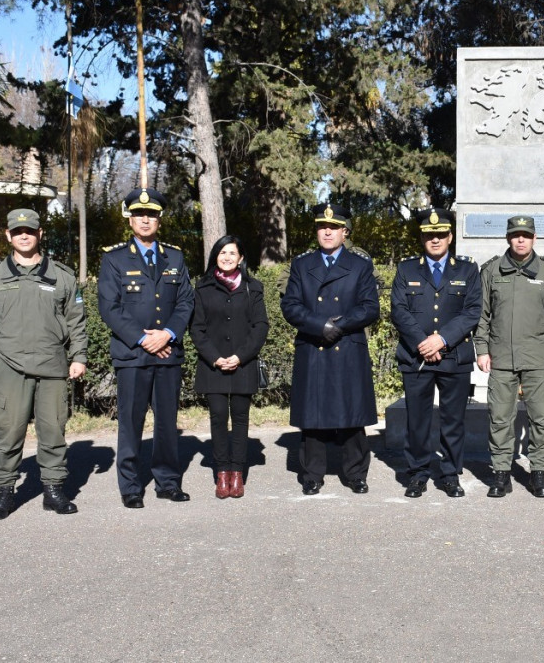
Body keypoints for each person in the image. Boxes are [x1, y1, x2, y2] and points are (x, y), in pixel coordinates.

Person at [0, 208, 87, 520]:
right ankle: (4, 492)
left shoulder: (62, 276)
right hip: (8, 366)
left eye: (30, 231)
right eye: (18, 232)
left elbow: (77, 322)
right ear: (8, 236)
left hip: (53, 366)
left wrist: (79, 356)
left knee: (53, 430)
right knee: (8, 431)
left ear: (39, 234)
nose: (24, 236)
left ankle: (54, 491)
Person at [98, 187, 195, 509]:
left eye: (151, 214)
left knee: (167, 423)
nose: (145, 219)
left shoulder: (175, 257)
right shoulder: (113, 258)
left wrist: (166, 334)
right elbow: (109, 308)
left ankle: (168, 482)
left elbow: (185, 302)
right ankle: (131, 486)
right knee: (131, 423)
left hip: (168, 352)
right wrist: (144, 339)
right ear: (129, 218)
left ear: (159, 219)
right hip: (133, 355)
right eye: (139, 214)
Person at [282, 203, 380, 495]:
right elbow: (290, 305)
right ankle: (312, 474)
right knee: (314, 415)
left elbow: (370, 308)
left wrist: (338, 324)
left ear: (345, 232)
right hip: (314, 345)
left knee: (352, 414)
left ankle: (356, 473)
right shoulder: (302, 265)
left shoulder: (360, 265)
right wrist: (319, 325)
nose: (327, 231)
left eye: (334, 227)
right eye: (323, 227)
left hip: (347, 344)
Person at [474, 215, 544, 498]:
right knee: (500, 418)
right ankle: (501, 473)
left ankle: (538, 473)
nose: (520, 239)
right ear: (507, 237)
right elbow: (481, 315)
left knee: (540, 419)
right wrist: (482, 350)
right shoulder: (491, 271)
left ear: (534, 238)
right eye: (515, 234)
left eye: (526, 235)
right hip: (501, 358)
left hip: (537, 359)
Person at [390, 208, 481, 498]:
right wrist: (423, 343)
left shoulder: (467, 270)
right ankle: (417, 473)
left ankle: (451, 474)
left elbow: (472, 312)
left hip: (454, 356)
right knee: (417, 420)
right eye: (430, 235)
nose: (435, 239)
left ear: (450, 236)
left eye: (441, 234)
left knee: (453, 421)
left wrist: (441, 340)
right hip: (416, 357)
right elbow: (399, 310)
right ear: (422, 237)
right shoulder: (406, 269)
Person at [190, 235, 270, 499]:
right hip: (212, 364)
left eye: (232, 253)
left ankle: (237, 472)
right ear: (215, 256)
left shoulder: (253, 288)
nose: (226, 257)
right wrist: (214, 357)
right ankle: (221, 472)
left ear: (241, 258)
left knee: (239, 417)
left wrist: (241, 356)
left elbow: (260, 327)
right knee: (217, 415)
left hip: (242, 363)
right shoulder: (202, 288)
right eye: (222, 253)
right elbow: (197, 328)